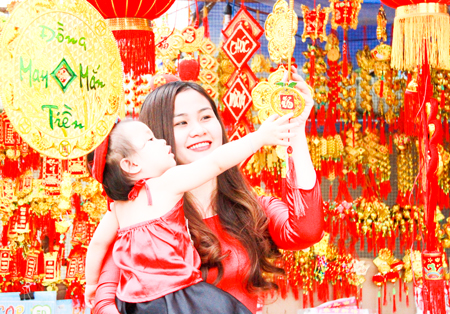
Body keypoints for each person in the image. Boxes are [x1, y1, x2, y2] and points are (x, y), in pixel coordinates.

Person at [93, 68, 324, 314]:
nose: (199, 130)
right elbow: (103, 301)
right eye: (181, 122)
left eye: (206, 117)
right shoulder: (142, 221)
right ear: (157, 136)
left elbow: (306, 232)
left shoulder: (251, 207)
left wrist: (295, 129)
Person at [85, 114, 298, 313]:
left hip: (136, 304)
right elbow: (217, 162)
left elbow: (97, 245)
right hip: (181, 295)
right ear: (131, 165)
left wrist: (92, 285)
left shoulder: (117, 208)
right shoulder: (167, 183)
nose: (161, 141)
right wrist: (258, 138)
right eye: (150, 140)